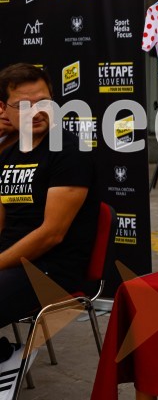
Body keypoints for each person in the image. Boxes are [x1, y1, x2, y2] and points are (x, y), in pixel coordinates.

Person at [0, 63, 98, 328]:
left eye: (42, 102)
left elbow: (52, 233)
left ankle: (7, 356)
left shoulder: (69, 152)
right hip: (10, 261)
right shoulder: (8, 154)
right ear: (3, 110)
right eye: (22, 105)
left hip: (51, 269)